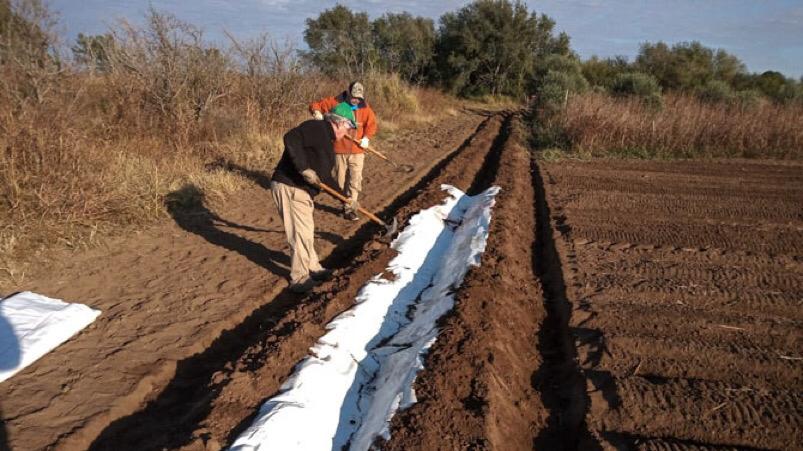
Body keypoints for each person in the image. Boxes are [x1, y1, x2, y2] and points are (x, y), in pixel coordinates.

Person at [271, 102, 357, 293]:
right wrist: (303, 169)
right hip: (290, 186)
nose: (349, 132)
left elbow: (326, 179)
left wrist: (345, 198)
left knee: (306, 231)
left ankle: (314, 268)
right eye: (349, 127)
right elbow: (290, 138)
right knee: (300, 234)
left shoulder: (327, 142)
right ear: (340, 123)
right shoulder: (317, 127)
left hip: (301, 191)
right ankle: (299, 278)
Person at [309, 81, 378, 221]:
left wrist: (366, 138)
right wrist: (316, 112)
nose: (355, 100)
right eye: (353, 96)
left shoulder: (365, 108)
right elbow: (315, 105)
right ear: (348, 93)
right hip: (339, 150)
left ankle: (350, 209)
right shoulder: (336, 102)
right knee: (339, 182)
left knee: (355, 181)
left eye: (358, 98)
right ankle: (344, 202)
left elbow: (372, 125)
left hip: (358, 151)